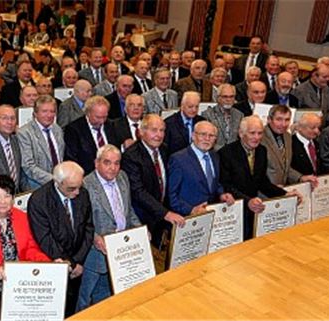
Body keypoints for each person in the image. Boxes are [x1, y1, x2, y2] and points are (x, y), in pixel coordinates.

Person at [0, 175, 51, 319]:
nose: (3, 201)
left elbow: (31, 248)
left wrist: (49, 264)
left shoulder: (23, 217)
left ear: (13, 198)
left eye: (7, 196)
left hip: (22, 286)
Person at [78, 145, 142, 310]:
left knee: (107, 297)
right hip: (95, 252)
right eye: (107, 163)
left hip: (121, 251)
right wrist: (95, 238)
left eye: (116, 163)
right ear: (96, 163)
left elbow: (128, 210)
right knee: (84, 299)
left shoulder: (123, 177)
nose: (112, 168)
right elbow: (80, 222)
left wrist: (139, 229)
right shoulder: (85, 185)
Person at [27, 161, 93, 316]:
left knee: (72, 308)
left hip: (77, 265)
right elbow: (45, 239)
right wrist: (69, 262)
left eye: (79, 186)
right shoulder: (39, 200)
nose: (77, 192)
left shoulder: (82, 193)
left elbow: (88, 227)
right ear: (58, 183)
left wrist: (78, 261)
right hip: (55, 265)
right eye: (71, 188)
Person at [218, 116, 290, 240]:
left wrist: (285, 194)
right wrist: (248, 201)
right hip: (233, 212)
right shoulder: (226, 153)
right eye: (252, 133)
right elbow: (226, 185)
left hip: (254, 211)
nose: (256, 137)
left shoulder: (262, 151)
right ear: (241, 134)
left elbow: (263, 182)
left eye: (260, 133)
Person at [122, 114, 185, 248]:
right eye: (154, 130)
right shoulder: (131, 156)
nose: (159, 135)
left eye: (162, 130)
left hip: (162, 216)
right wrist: (165, 213)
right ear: (141, 132)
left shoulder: (164, 149)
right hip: (142, 217)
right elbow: (138, 192)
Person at [167, 121, 237, 216]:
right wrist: (191, 210)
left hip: (211, 214)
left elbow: (214, 183)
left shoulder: (215, 156)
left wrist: (221, 194)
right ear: (193, 136)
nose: (207, 139)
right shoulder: (178, 159)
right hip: (188, 219)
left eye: (211, 136)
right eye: (203, 134)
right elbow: (171, 195)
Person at [20, 95, 66, 190]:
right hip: (35, 184)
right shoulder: (24, 133)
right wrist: (54, 180)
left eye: (52, 111)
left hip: (60, 182)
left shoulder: (57, 129)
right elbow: (28, 166)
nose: (49, 115)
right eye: (44, 111)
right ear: (35, 113)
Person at [65, 96, 119, 174]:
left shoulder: (112, 126)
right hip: (87, 175)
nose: (102, 121)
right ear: (88, 113)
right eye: (98, 117)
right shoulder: (74, 129)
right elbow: (72, 159)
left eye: (104, 117)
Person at [164, 92, 208, 156]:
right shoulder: (169, 123)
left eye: (196, 107)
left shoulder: (202, 121)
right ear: (182, 106)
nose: (194, 110)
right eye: (190, 107)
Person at [201, 84, 243, 150]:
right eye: (225, 97)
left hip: (234, 154)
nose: (228, 99)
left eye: (231, 97)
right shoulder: (207, 114)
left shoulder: (239, 115)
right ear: (218, 98)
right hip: (216, 152)